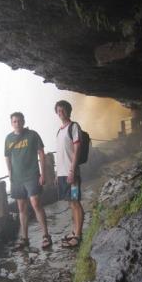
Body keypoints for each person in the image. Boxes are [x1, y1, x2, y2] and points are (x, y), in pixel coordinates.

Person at [4, 112, 51, 249]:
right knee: (21, 208)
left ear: (23, 121)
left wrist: (43, 173)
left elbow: (41, 153)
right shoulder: (8, 138)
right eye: (14, 121)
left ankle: (46, 236)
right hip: (17, 178)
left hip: (32, 175)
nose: (17, 123)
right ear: (11, 123)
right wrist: (9, 173)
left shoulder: (32, 135)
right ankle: (24, 238)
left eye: (19, 121)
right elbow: (7, 156)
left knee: (36, 203)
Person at [54, 100, 85, 248]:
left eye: (63, 110)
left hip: (71, 173)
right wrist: (56, 174)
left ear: (68, 111)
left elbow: (77, 149)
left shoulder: (74, 127)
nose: (61, 112)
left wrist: (72, 170)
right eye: (58, 110)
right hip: (62, 174)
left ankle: (78, 236)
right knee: (71, 203)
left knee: (75, 202)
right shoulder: (59, 130)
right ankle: (74, 231)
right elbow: (60, 154)